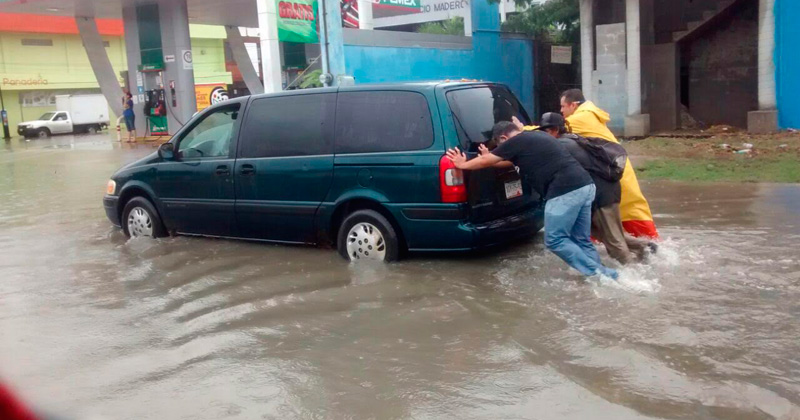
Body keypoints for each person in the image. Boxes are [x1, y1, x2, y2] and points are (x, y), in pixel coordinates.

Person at [447, 122, 619, 280]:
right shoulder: (535, 137)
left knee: (555, 240)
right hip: (585, 186)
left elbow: (486, 160)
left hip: (565, 191)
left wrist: (463, 164)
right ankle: (599, 278)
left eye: (502, 146)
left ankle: (602, 274)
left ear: (504, 138)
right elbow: (502, 162)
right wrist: (490, 159)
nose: (503, 149)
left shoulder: (517, 141)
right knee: (580, 239)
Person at [538, 112, 654, 264]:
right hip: (597, 194)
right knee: (601, 234)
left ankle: (631, 276)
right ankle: (645, 246)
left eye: (546, 131)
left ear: (555, 130)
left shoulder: (562, 146)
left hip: (602, 195)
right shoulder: (573, 139)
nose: (544, 136)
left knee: (613, 242)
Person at [559, 89, 659, 239]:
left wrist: (521, 130)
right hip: (613, 172)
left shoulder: (581, 118)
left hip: (613, 177)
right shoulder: (590, 115)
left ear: (573, 105)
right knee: (627, 220)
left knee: (635, 223)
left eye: (562, 106)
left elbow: (551, 131)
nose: (561, 111)